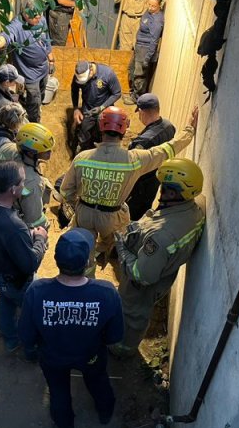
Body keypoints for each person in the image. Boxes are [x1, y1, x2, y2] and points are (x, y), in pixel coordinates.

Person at [60, 104, 198, 270]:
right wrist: (189, 131)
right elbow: (165, 150)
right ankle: (103, 253)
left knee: (83, 252)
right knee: (113, 242)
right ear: (124, 130)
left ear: (101, 127)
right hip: (111, 217)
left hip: (85, 213)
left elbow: (66, 190)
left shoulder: (82, 158)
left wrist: (78, 206)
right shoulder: (134, 160)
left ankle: (87, 271)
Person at [18, 228, 124, 428]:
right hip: (91, 356)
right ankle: (105, 412)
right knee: (98, 382)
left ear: (56, 259)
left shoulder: (36, 291)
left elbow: (26, 336)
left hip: (53, 357)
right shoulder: (107, 292)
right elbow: (115, 336)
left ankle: (66, 427)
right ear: (87, 263)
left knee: (58, 392)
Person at [113, 158, 205, 356]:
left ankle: (122, 350)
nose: (160, 191)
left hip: (140, 287)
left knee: (131, 314)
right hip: (159, 272)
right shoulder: (192, 210)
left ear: (172, 193)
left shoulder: (160, 238)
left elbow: (141, 275)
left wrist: (121, 247)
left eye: (164, 187)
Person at [0, 161, 48, 352]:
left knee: (5, 303)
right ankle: (31, 349)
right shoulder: (13, 226)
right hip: (16, 281)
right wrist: (40, 239)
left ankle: (10, 340)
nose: (24, 185)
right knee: (31, 312)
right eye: (22, 182)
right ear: (13, 190)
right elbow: (30, 264)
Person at [0, 0, 56, 122]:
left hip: (43, 69)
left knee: (42, 93)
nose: (39, 18)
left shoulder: (41, 20)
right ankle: (35, 123)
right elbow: (5, 37)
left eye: (40, 14)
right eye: (35, 16)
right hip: (29, 73)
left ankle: (36, 107)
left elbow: (46, 40)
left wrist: (51, 60)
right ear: (26, 14)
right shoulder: (17, 26)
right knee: (34, 100)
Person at [0, 122, 55, 229]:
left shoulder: (7, 148)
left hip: (1, 203)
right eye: (46, 151)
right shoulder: (32, 182)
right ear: (31, 153)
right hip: (16, 220)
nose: (50, 153)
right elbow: (33, 220)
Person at [126, 94, 176, 221]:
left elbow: (129, 166)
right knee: (144, 209)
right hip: (155, 180)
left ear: (142, 112)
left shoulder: (143, 142)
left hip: (139, 188)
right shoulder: (169, 126)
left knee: (130, 216)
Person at [71, 60, 122, 152]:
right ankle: (83, 150)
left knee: (103, 133)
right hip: (88, 109)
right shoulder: (78, 76)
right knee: (84, 132)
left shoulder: (107, 74)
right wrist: (76, 109)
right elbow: (74, 91)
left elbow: (117, 93)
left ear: (91, 70)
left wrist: (101, 107)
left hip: (104, 109)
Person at [127, 0, 165, 100]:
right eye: (149, 4)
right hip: (139, 47)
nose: (150, 7)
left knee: (139, 75)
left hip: (145, 49)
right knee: (131, 70)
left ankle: (137, 98)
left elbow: (154, 41)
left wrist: (147, 58)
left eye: (154, 6)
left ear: (159, 5)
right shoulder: (148, 13)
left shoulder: (157, 21)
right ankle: (132, 93)